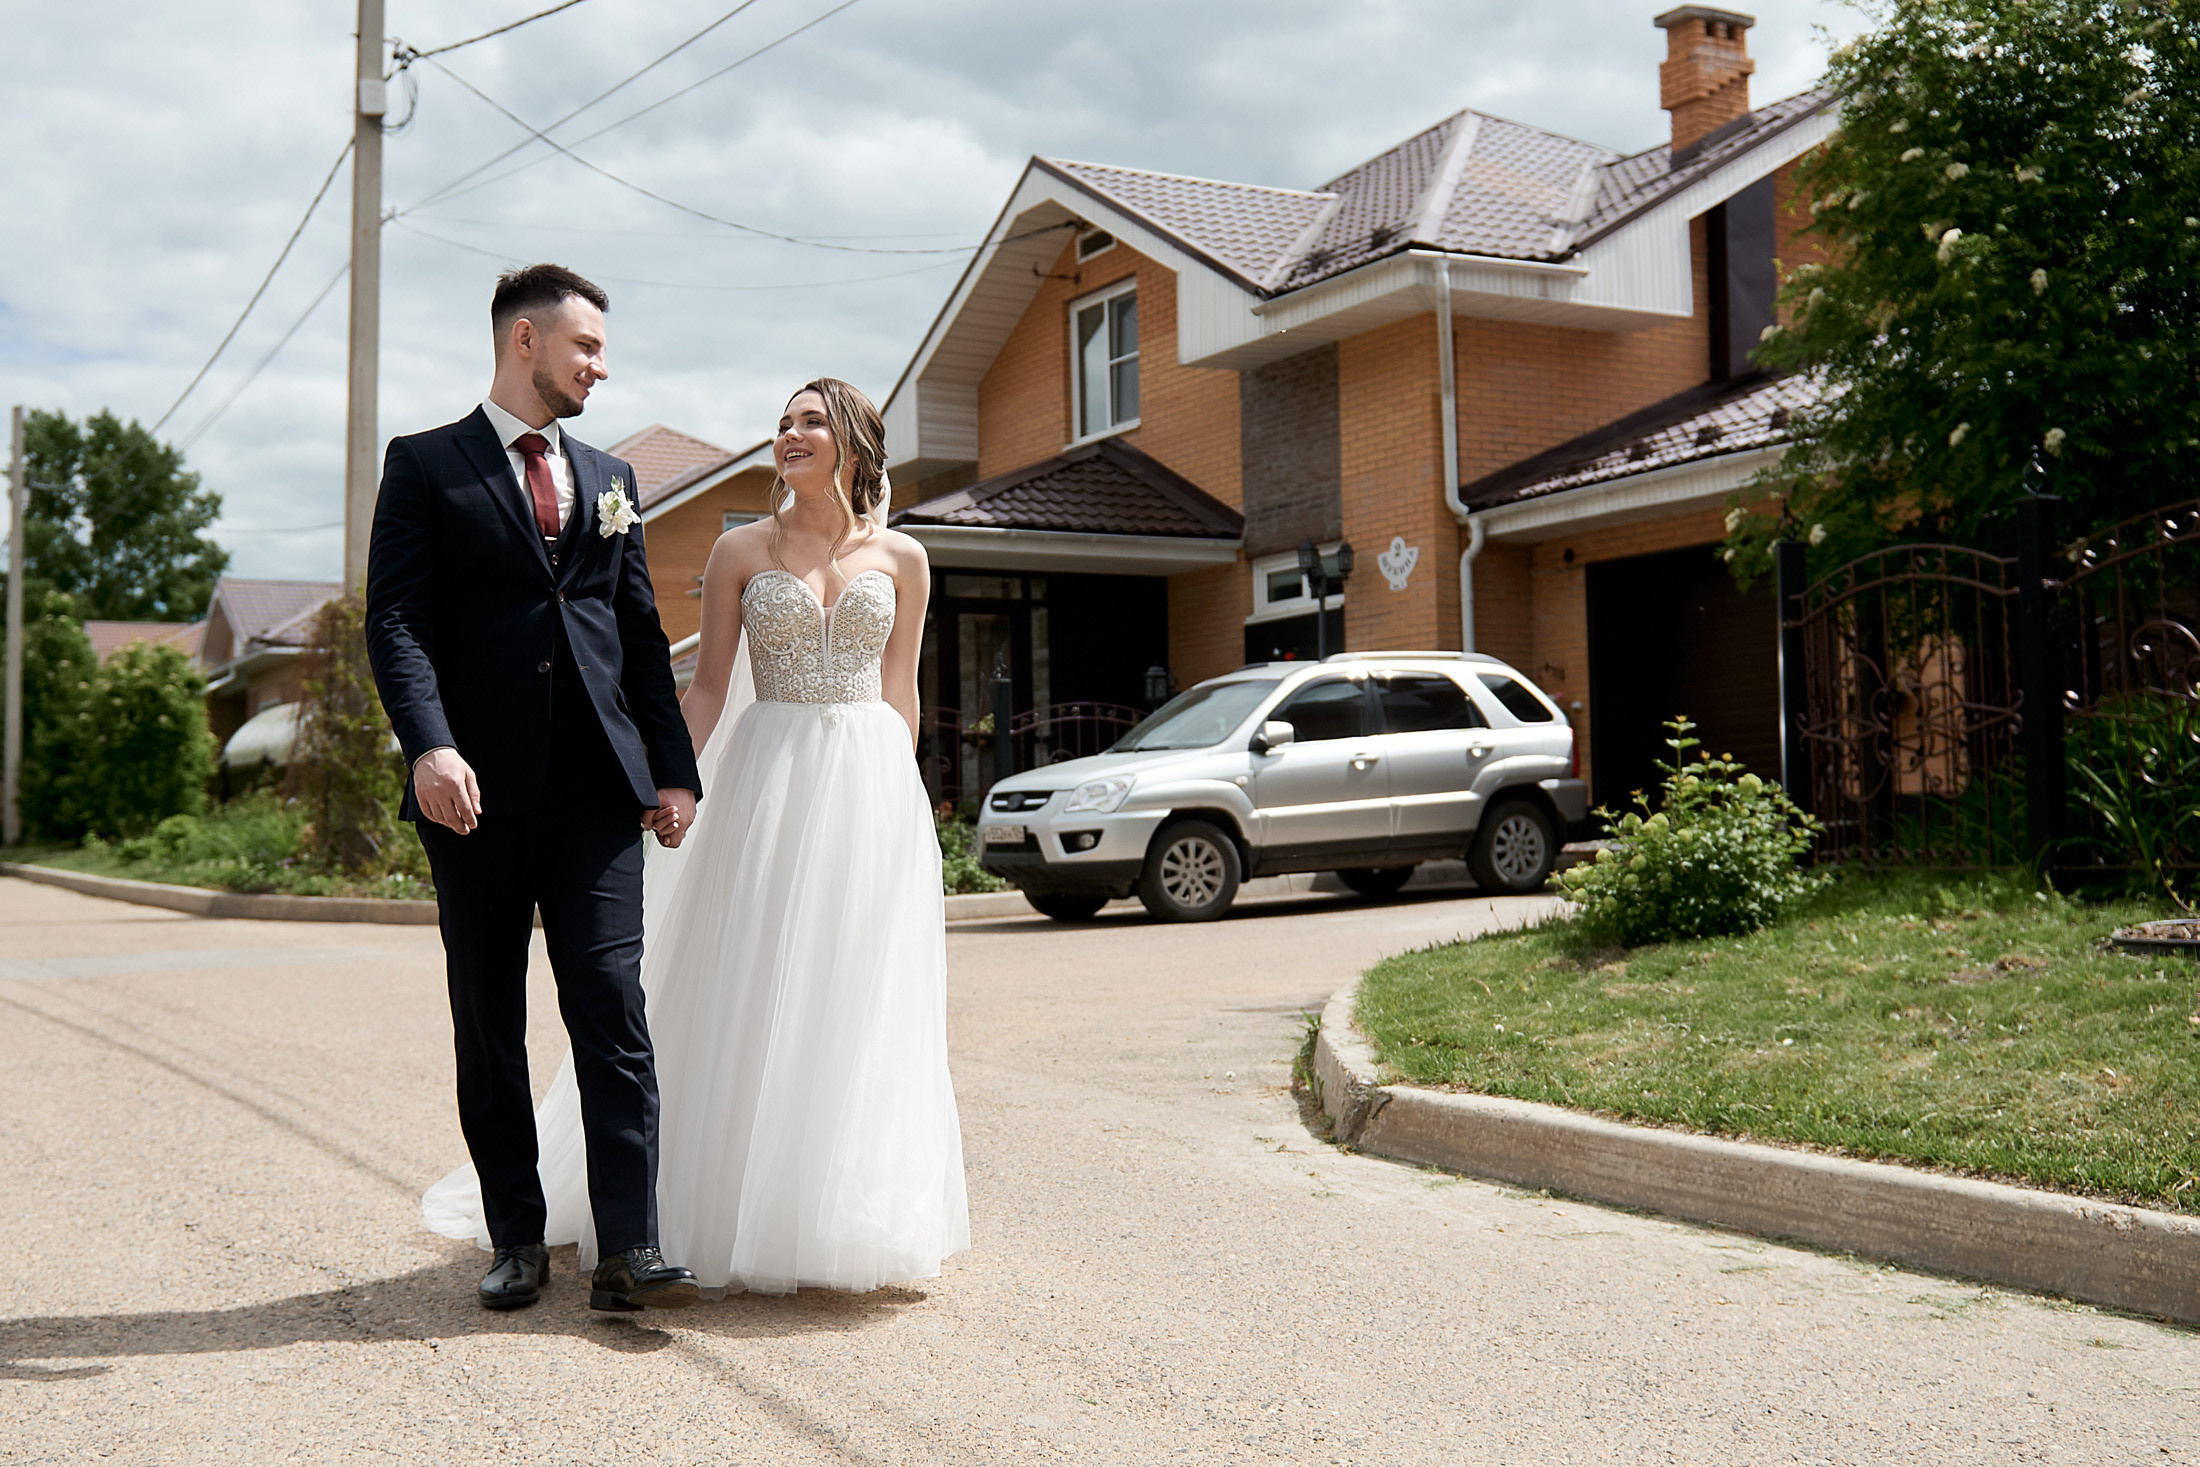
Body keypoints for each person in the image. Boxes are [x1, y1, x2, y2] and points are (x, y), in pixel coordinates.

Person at [423, 378, 970, 1296]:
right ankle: (705, 1208)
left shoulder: (905, 557)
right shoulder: (738, 550)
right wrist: (663, 779)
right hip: (768, 782)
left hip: (870, 792)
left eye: (810, 421)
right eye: (784, 421)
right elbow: (708, 684)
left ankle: (834, 1213)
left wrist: (904, 802)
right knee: (753, 980)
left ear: (853, 440)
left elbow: (900, 687)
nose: (789, 433)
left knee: (854, 992)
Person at [367, 263, 703, 1313]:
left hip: (598, 792)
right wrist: (429, 746)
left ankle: (629, 1247)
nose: (601, 366)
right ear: (526, 340)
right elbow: (397, 621)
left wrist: (672, 769)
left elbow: (638, 632)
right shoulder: (425, 464)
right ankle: (516, 1236)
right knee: (489, 1019)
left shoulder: (611, 476)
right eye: (586, 347)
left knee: (611, 1006)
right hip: (471, 797)